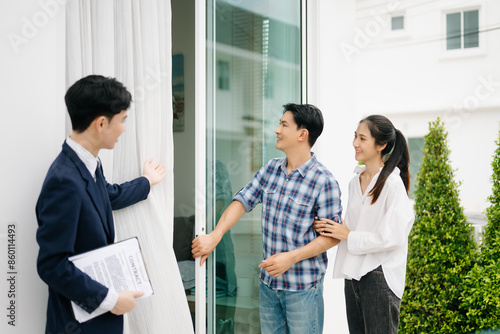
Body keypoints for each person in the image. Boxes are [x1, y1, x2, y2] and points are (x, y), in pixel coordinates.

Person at [192, 103, 342, 334]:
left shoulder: (324, 181)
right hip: (269, 286)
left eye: (284, 125)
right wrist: (215, 235)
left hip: (302, 289)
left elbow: (332, 237)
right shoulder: (271, 169)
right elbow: (242, 201)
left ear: (303, 134)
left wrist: (291, 258)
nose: (277, 130)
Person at [35, 75, 167, 334]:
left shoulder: (87, 164)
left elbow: (109, 195)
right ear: (101, 123)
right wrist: (111, 300)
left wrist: (146, 182)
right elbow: (51, 265)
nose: (124, 129)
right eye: (122, 120)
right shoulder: (64, 180)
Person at [314, 115, 415, 334]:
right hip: (353, 274)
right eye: (355, 136)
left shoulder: (392, 184)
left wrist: (348, 235)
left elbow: (393, 236)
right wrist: (330, 226)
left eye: (362, 138)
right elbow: (353, 226)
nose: (355, 143)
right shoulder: (354, 182)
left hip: (380, 276)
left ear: (381, 145)